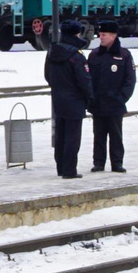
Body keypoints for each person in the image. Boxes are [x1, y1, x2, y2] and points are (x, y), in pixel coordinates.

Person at [88, 18, 137, 173]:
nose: (100, 37)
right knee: (99, 135)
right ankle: (98, 162)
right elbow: (88, 79)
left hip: (115, 103)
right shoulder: (94, 55)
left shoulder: (124, 55)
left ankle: (117, 162)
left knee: (116, 135)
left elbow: (130, 80)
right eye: (100, 34)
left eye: (104, 34)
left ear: (113, 36)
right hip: (98, 103)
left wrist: (122, 98)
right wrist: (91, 98)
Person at [45, 20, 92, 179]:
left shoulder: (52, 51)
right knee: (73, 137)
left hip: (58, 99)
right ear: (76, 34)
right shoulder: (76, 55)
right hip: (75, 100)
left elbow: (47, 75)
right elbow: (84, 80)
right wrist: (88, 97)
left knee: (61, 134)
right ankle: (69, 170)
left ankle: (60, 168)